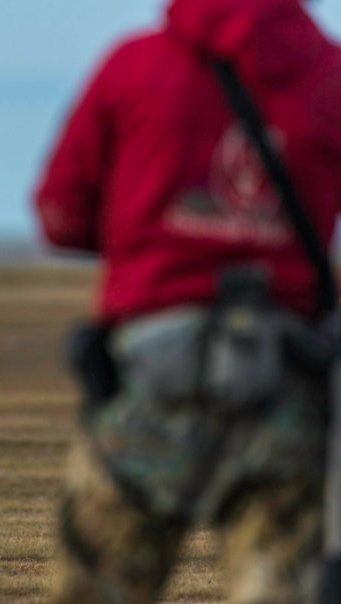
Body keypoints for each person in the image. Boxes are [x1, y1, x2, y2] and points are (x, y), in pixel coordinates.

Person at [32, 1, 341, 602]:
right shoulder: (330, 75)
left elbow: (59, 215)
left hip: (149, 381)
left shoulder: (135, 65)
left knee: (97, 586)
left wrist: (157, 239)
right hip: (286, 386)